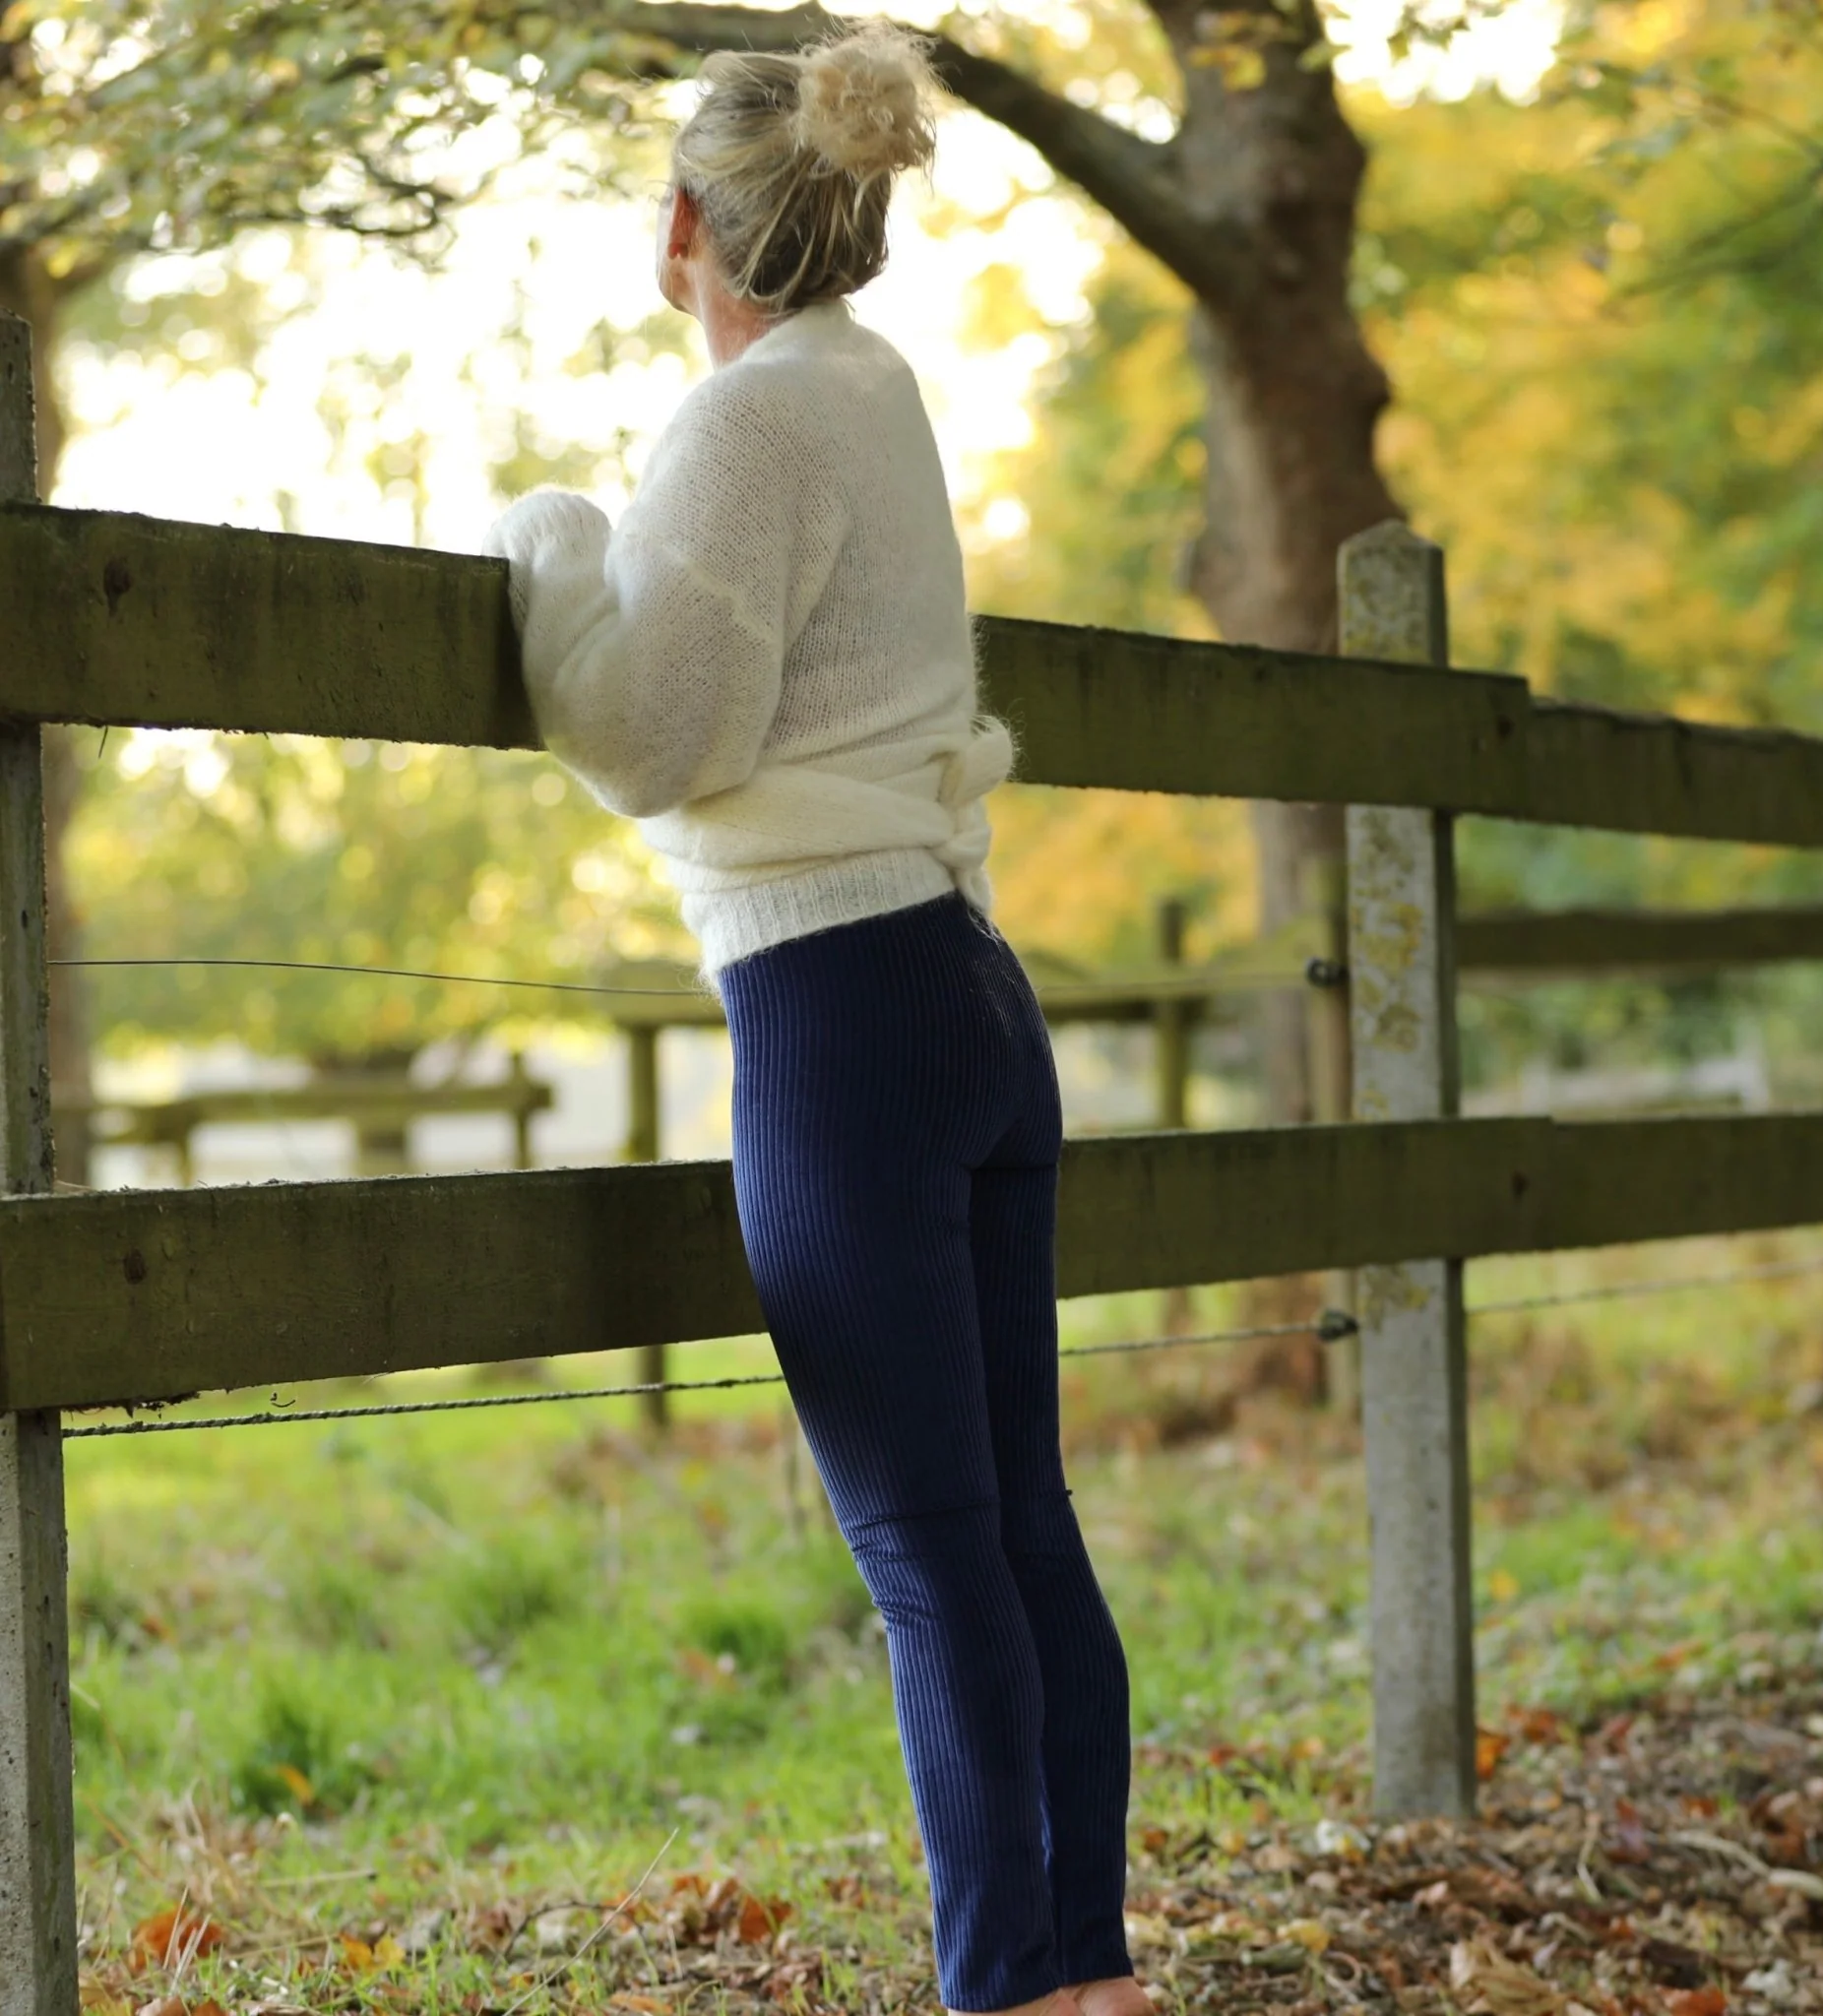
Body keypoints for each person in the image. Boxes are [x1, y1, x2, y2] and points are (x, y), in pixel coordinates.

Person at [482, 30, 1147, 2016]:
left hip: (835, 1010)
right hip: (965, 986)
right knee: (1019, 1528)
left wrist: (548, 536)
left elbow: (651, 734)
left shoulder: (747, 422)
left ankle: (1008, 1986)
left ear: (684, 224)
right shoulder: (877, 388)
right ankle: (1084, 1973)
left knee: (931, 1550)